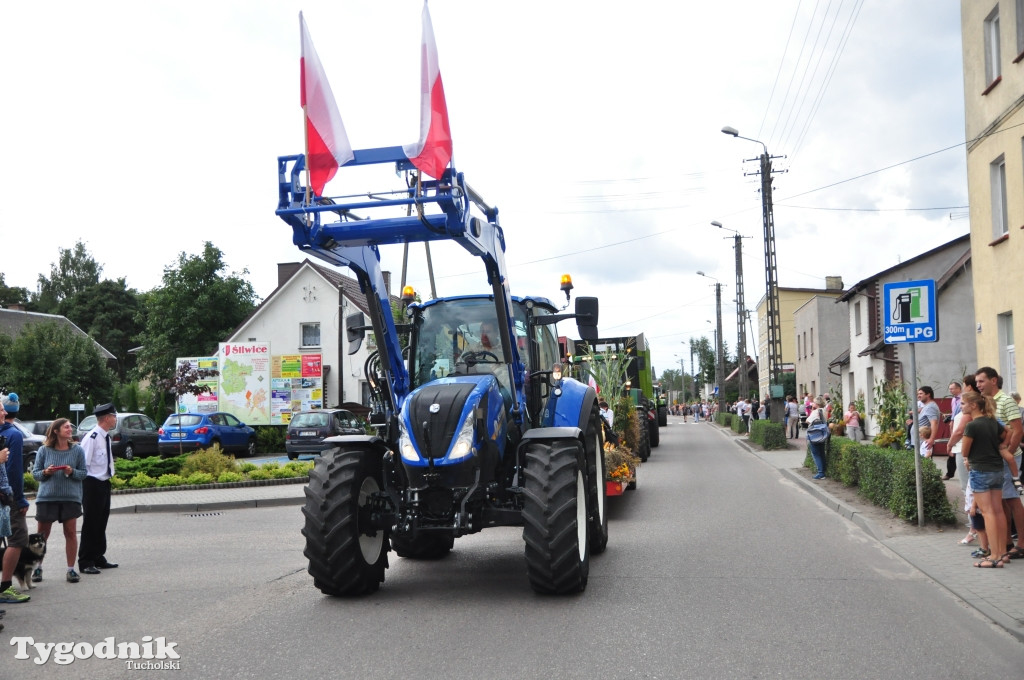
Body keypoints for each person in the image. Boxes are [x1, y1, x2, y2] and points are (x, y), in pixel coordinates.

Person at [974, 367, 1024, 563]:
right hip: (996, 459)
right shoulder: (989, 402)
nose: (978, 385)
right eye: (977, 382)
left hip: (1008, 457)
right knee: (1000, 502)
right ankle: (1005, 544)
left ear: (993, 380)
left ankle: (1021, 543)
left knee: (1012, 500)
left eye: (981, 381)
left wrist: (1008, 454)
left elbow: (1018, 431)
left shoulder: (1006, 400)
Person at [31, 419, 88, 583]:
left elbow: (83, 473)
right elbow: (36, 474)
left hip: (70, 498)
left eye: (70, 426)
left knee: (70, 534)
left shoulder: (77, 450)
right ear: (56, 431)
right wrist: (46, 472)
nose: (70, 429)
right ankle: (37, 568)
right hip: (46, 498)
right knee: (42, 536)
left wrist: (71, 472)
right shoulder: (44, 450)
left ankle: (71, 570)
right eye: (66, 427)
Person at [960, 391, 1011, 567]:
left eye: (963, 403)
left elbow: (965, 451)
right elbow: (1008, 431)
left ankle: (994, 556)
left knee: (987, 512)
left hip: (980, 470)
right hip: (997, 469)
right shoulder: (992, 421)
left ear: (973, 405)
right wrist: (1002, 446)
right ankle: (1003, 553)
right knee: (998, 512)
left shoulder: (972, 426)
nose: (961, 406)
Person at [78, 402, 120, 575]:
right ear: (107, 418)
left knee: (101, 521)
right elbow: (83, 464)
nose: (116, 419)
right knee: (91, 522)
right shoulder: (92, 438)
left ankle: (98, 556)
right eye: (114, 416)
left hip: (103, 483)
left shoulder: (106, 436)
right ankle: (86, 560)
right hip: (92, 483)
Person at [0, 394, 32, 604]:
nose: (3, 412)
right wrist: (19, 499)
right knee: (18, 539)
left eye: (4, 409)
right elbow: (14, 471)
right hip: (6, 497)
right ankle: (5, 586)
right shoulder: (14, 434)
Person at [947, 377, 980, 495]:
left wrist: (950, 444)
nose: (960, 406)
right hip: (965, 447)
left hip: (963, 447)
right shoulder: (976, 402)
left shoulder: (969, 408)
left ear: (969, 387)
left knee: (967, 485)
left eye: (964, 385)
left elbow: (960, 431)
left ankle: (974, 512)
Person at [943, 381, 963, 480]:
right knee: (952, 451)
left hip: (960, 426)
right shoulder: (953, 400)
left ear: (959, 388)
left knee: (954, 449)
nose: (950, 390)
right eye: (950, 389)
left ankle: (951, 473)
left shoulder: (963, 399)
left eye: (952, 388)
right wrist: (950, 416)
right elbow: (955, 412)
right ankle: (949, 473)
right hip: (954, 424)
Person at [806, 397, 828, 479]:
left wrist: (812, 410)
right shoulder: (824, 410)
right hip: (822, 434)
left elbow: (808, 421)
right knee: (822, 453)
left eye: (814, 403)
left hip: (815, 434)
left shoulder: (815, 412)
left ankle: (820, 473)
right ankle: (824, 470)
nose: (813, 404)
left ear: (817, 404)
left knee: (816, 454)